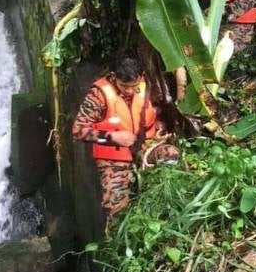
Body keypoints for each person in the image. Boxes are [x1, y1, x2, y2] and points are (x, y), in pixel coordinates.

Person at [71, 57, 179, 227]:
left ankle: (166, 212)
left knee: (171, 154)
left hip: (145, 145)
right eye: (124, 86)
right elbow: (78, 132)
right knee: (116, 209)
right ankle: (119, 238)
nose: (129, 91)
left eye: (133, 86)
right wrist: (111, 137)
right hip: (113, 158)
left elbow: (161, 108)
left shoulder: (149, 85)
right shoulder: (98, 95)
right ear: (114, 78)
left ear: (141, 77)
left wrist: (159, 124)